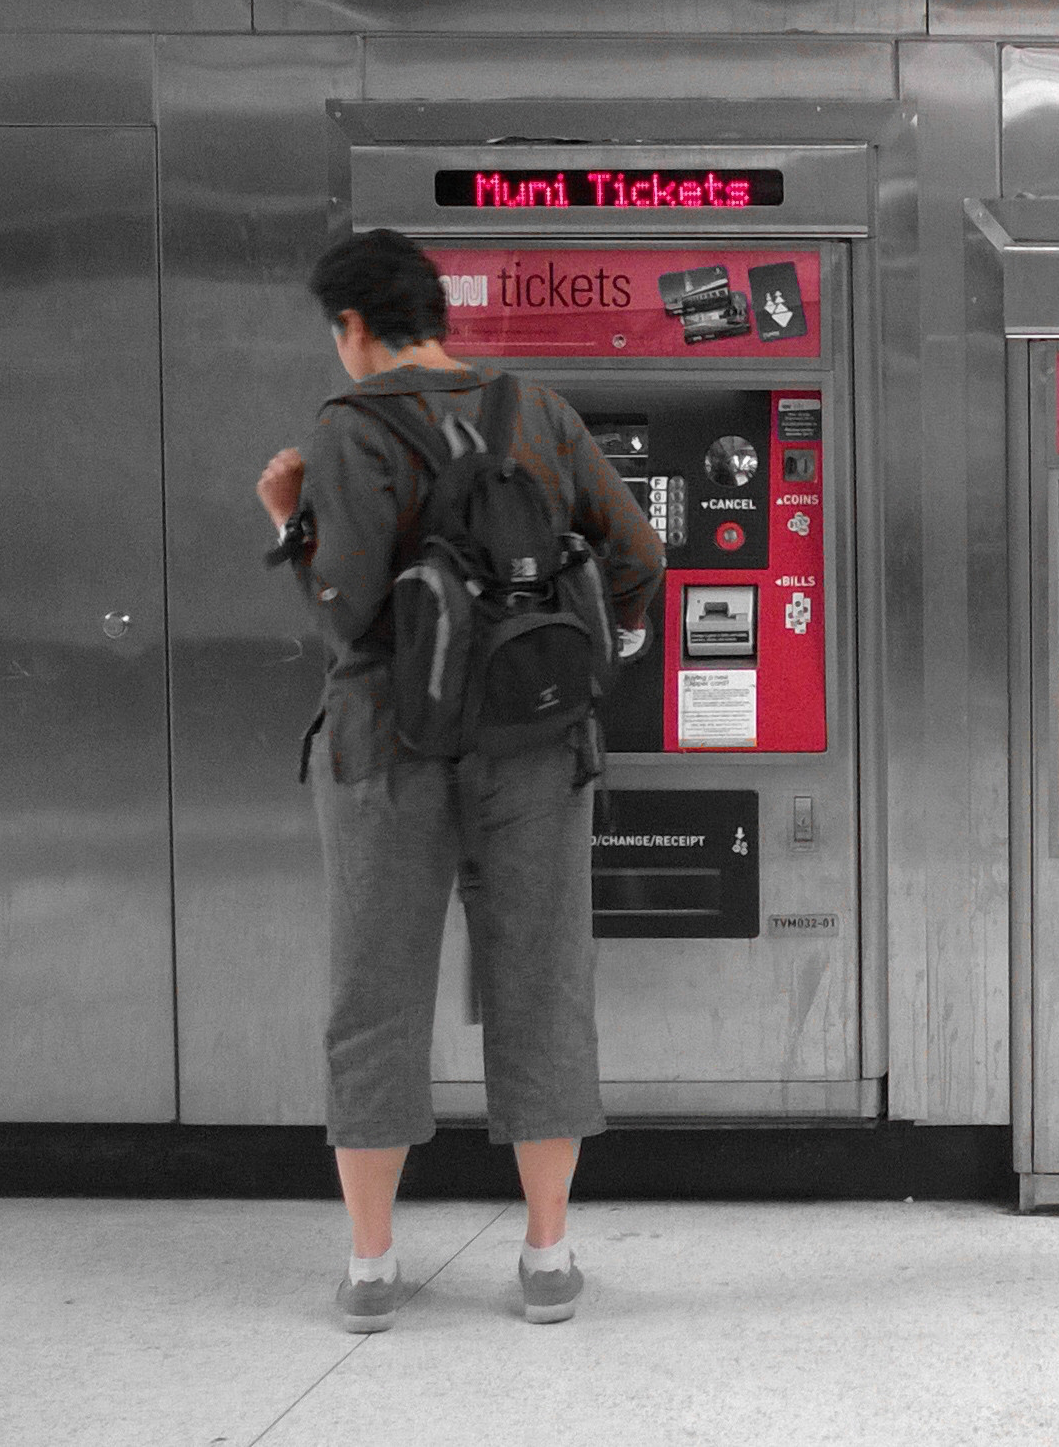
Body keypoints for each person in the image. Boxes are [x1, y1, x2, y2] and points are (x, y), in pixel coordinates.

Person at [256, 228, 665, 1332]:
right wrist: (601, 647)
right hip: (536, 745)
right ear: (435, 312)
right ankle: (546, 1256)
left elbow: (346, 600)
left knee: (376, 992)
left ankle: (376, 1268)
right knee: (541, 979)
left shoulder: (350, 426)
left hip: (388, 749)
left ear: (353, 326)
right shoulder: (535, 407)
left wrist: (289, 519)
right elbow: (638, 557)